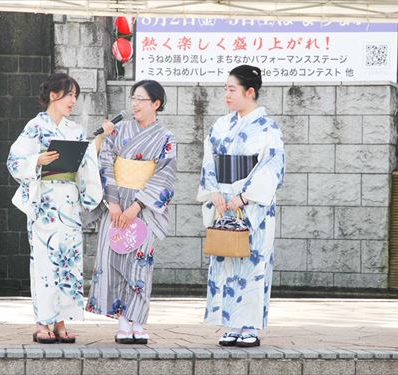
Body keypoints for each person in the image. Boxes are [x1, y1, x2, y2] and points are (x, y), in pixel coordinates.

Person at [7, 72, 113, 344]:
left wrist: (99, 141)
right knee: (44, 263)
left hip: (69, 202)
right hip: (44, 203)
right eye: (69, 95)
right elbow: (14, 160)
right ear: (54, 96)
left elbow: (86, 160)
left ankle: (61, 321)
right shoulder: (35, 126)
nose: (73, 101)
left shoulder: (73, 129)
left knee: (68, 263)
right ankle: (42, 321)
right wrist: (38, 159)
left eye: (75, 96)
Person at [197, 65, 285, 347]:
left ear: (250, 92)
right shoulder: (220, 125)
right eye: (225, 89)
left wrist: (244, 197)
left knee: (253, 262)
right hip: (223, 204)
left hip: (252, 207)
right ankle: (231, 324)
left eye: (232, 89)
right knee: (225, 260)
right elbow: (209, 161)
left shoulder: (268, 128)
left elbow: (272, 168)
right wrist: (214, 192)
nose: (227, 94)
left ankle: (250, 327)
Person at [85, 80, 176, 344]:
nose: (134, 104)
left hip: (143, 208)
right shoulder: (118, 130)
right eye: (133, 98)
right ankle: (122, 321)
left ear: (156, 104)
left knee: (140, 263)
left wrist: (137, 206)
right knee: (113, 261)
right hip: (115, 206)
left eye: (141, 99)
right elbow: (105, 163)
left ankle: (138, 320)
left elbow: (165, 176)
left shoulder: (166, 139)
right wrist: (113, 203)